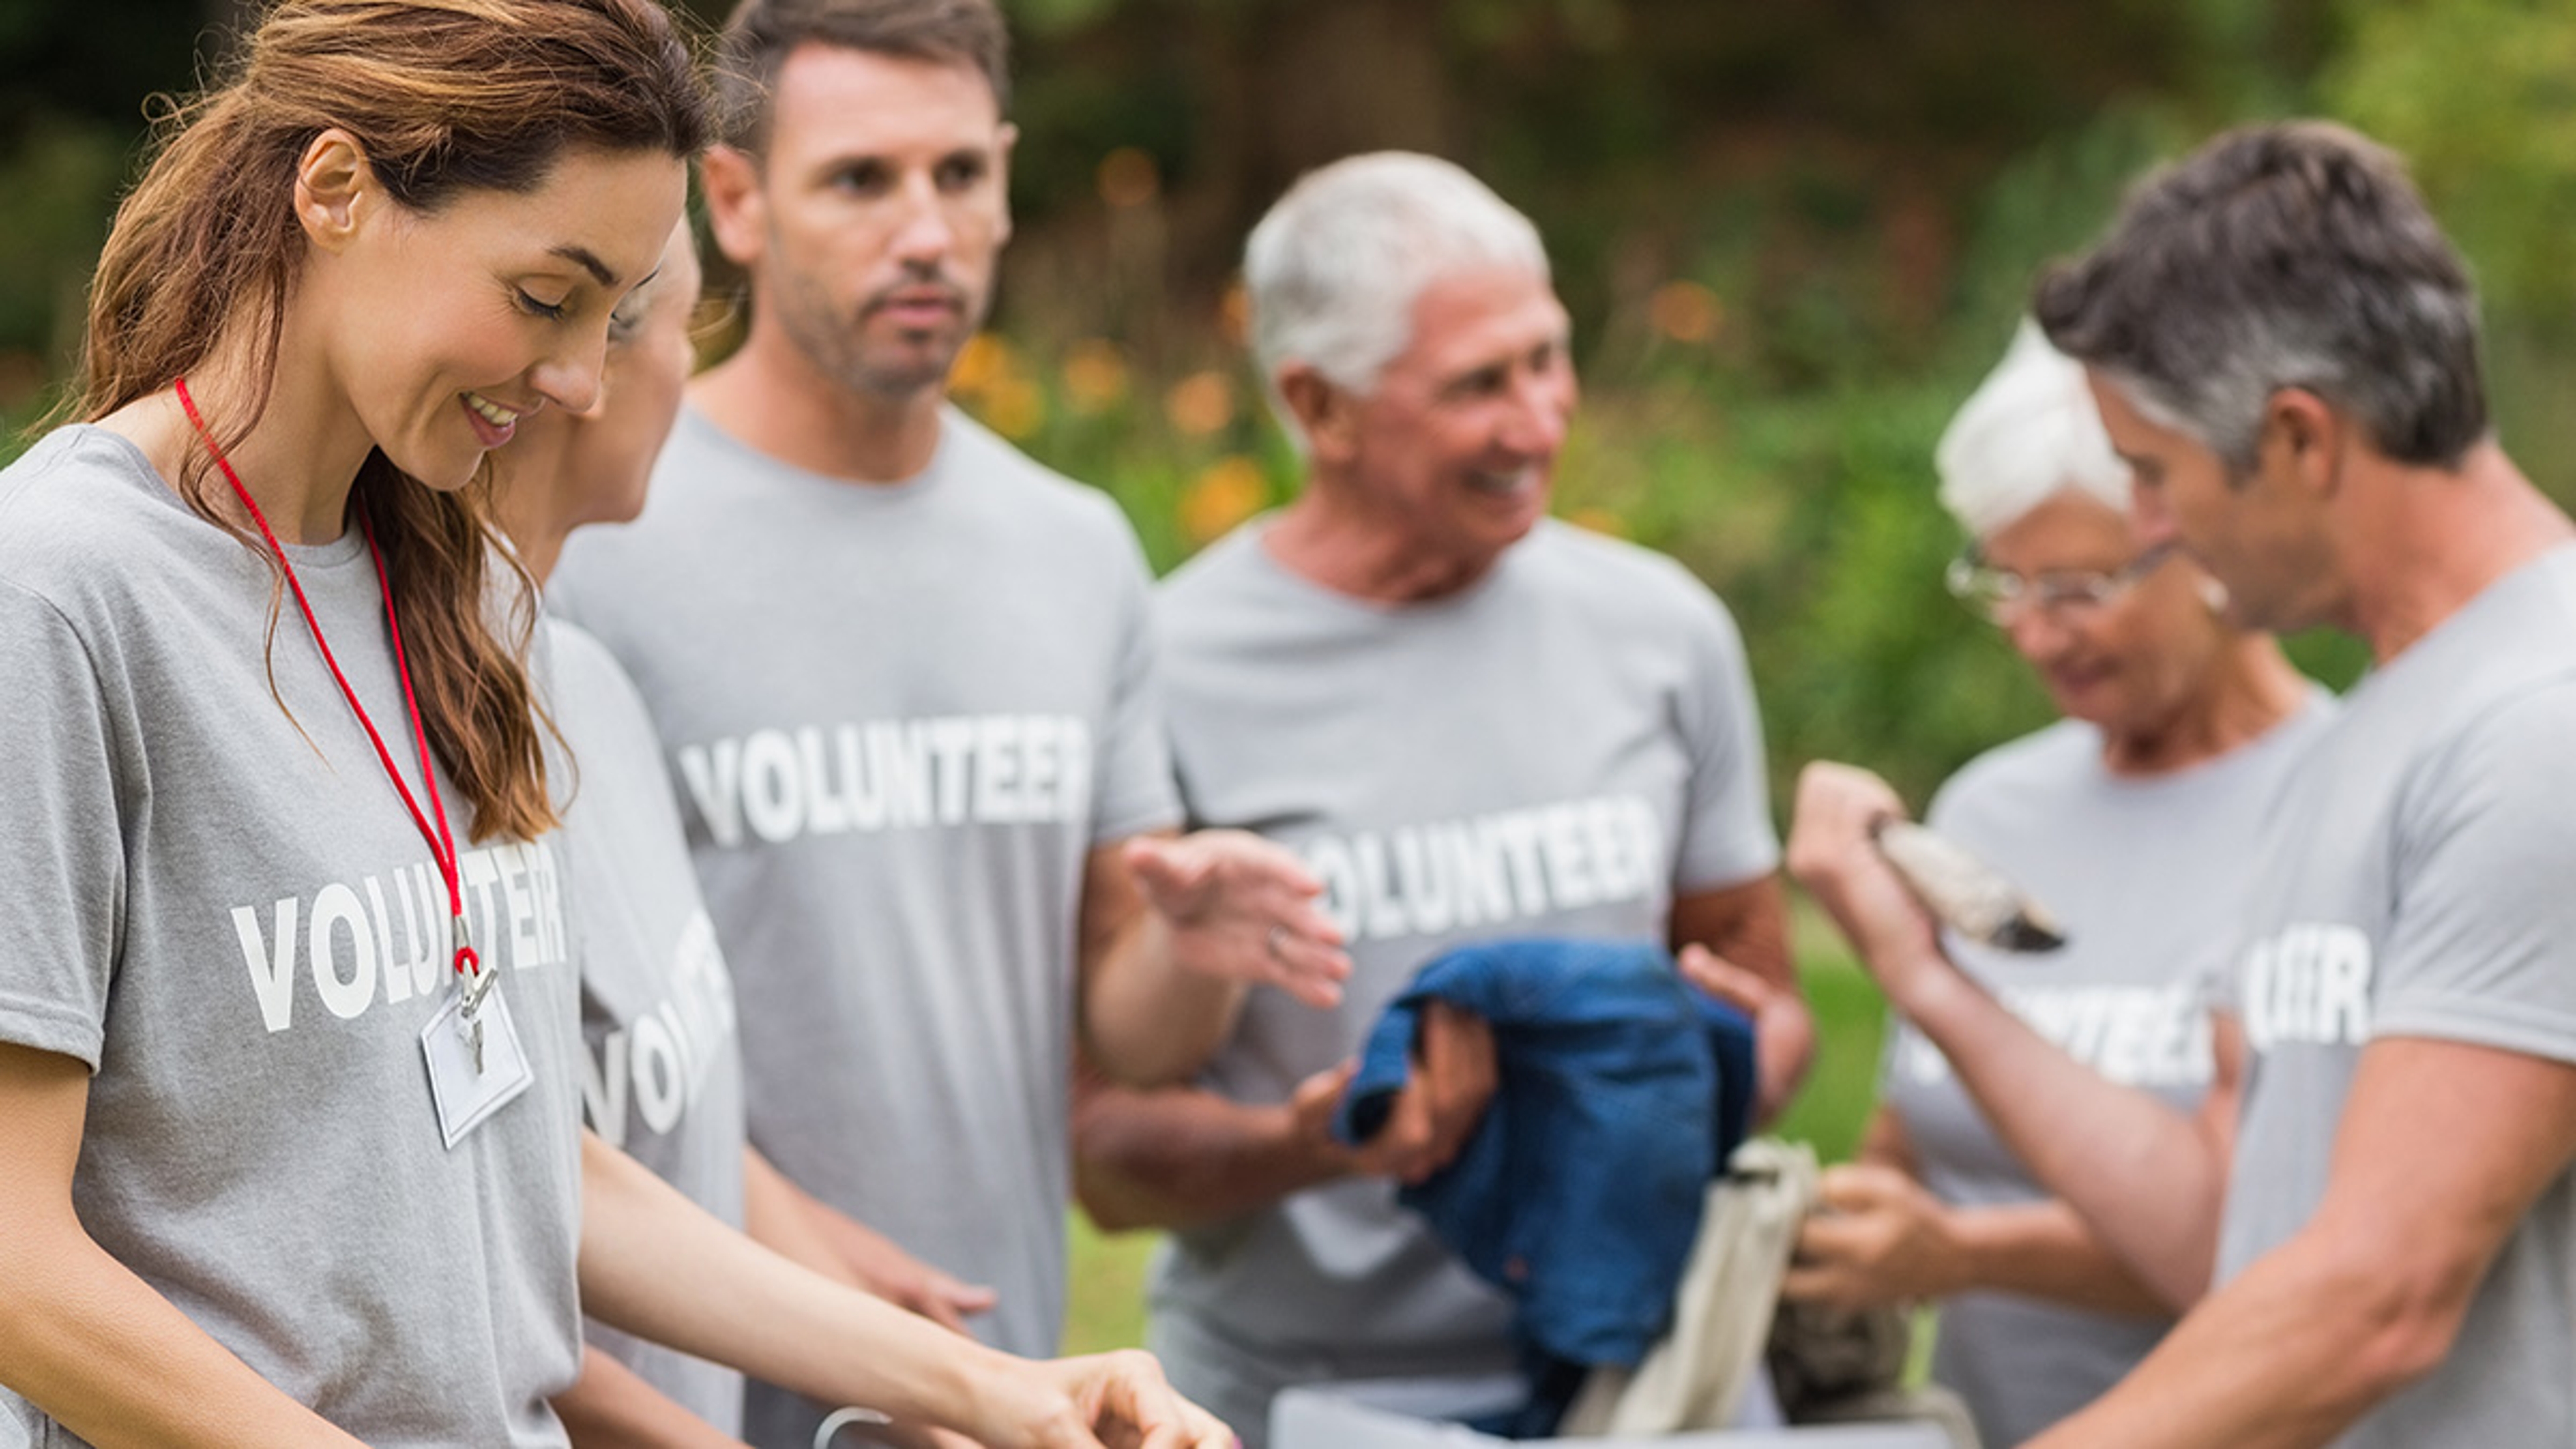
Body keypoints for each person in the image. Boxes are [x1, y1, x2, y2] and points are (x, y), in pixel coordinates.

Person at [0, 5, 1226, 1446]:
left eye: (619, 313)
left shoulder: (454, 591)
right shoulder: (62, 594)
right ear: (334, 192)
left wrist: (1005, 1388)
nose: (584, 379)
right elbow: (19, 1262)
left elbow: (533, 1164)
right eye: (546, 297)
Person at [547, 2, 1343, 1442]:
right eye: (861, 180)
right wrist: (802, 1266)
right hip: (674, 1385)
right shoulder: (596, 532)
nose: (925, 230)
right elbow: (551, 1053)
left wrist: (1193, 947)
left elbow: (1133, 1036)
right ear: (733, 200)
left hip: (1010, 1382)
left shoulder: (1077, 545)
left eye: (959, 176)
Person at [1790, 120, 2576, 1449]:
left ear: (2298, 441)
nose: (2147, 527)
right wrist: (1927, 980)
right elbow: (2232, 1228)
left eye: (2151, 474)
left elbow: (2378, 1299)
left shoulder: (2539, 726)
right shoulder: (2370, 729)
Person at [1071, 152, 1808, 1446]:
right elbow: (1106, 1153)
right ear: (1320, 404)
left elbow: (1772, 999)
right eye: (1479, 385)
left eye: (1547, 358)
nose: (1539, 421)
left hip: (1642, 1387)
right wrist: (1321, 1144)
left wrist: (1714, 1058)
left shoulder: (1660, 632)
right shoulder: (1165, 662)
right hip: (1301, 1399)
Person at [1776, 321, 2330, 1446]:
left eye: (2077, 588)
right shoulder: (1989, 810)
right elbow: (1919, 1130)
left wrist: (1963, 1253)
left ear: (2199, 541)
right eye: (2004, 583)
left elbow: (2271, 1240)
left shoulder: (2330, 800)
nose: (2033, 633)